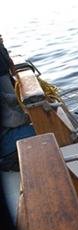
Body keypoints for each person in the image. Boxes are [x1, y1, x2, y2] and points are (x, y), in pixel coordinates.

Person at [0, 34, 35, 171]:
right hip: (3, 144)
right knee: (46, 127)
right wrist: (30, 116)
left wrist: (22, 101)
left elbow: (4, 98)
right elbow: (12, 119)